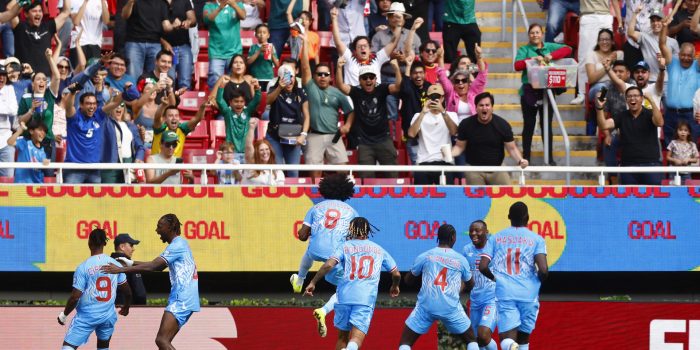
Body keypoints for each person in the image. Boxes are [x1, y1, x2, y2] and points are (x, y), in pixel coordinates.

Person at [102, 213, 200, 350]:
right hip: (184, 298)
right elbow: (158, 266)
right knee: (164, 342)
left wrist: (120, 270)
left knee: (162, 340)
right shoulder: (180, 243)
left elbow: (154, 266)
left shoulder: (177, 245)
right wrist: (131, 263)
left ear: (170, 227)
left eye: (160, 227)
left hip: (182, 299)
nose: (157, 230)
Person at [304, 217, 401, 350]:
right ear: (368, 231)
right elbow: (396, 274)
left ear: (351, 230)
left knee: (342, 337)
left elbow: (328, 265)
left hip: (343, 297)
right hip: (365, 299)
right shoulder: (379, 250)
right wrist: (394, 286)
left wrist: (313, 282)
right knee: (356, 338)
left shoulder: (344, 246)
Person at [291, 174, 358, 337]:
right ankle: (323, 310)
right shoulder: (353, 212)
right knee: (344, 289)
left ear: (325, 190)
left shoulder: (315, 208)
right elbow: (354, 240)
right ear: (346, 192)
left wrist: (308, 232)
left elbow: (302, 236)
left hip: (315, 250)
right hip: (334, 256)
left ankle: (299, 280)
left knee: (309, 250)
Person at [479, 202, 548, 350]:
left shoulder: (495, 238)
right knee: (524, 339)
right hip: (529, 294)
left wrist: (495, 279)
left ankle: (510, 346)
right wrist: (536, 283)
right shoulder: (537, 239)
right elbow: (543, 270)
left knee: (506, 340)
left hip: (505, 292)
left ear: (509, 217)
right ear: (527, 218)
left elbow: (483, 266)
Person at [399, 224, 480, 350]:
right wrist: (458, 287)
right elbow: (471, 284)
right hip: (450, 307)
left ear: (438, 237)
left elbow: (408, 280)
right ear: (453, 238)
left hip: (426, 307)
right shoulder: (461, 260)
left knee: (405, 343)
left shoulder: (425, 256)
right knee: (471, 340)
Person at [59, 228, 131, 350]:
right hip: (107, 316)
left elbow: (75, 297)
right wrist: (126, 306)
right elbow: (127, 291)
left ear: (89, 243)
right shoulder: (115, 265)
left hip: (86, 316)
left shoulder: (83, 267)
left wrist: (64, 314)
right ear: (105, 243)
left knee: (68, 347)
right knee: (103, 347)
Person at [514, 23, 572, 165]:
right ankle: (526, 158)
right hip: (529, 91)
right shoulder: (524, 49)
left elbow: (568, 49)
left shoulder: (549, 46)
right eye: (532, 33)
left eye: (537, 32)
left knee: (547, 125)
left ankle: (549, 158)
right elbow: (517, 65)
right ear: (529, 35)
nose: (535, 35)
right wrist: (533, 60)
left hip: (547, 91)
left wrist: (550, 56)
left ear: (542, 33)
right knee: (529, 125)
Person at [299, 34, 354, 179]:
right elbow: (305, 66)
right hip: (314, 135)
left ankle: (340, 198)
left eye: (326, 74)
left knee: (343, 172)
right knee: (315, 175)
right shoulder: (311, 87)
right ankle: (317, 200)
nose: (322, 76)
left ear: (330, 77)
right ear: (315, 76)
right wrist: (305, 43)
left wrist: (348, 125)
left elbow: (350, 111)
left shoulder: (337, 93)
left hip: (334, 136)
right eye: (319, 74)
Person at [337, 60, 401, 178]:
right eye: (364, 78)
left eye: (371, 77)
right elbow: (340, 86)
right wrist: (339, 67)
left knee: (393, 175)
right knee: (365, 178)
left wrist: (396, 68)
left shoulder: (382, 89)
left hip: (384, 139)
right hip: (364, 143)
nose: (368, 80)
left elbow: (397, 87)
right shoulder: (356, 91)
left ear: (375, 79)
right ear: (360, 80)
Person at [451, 92, 529, 185]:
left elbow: (511, 148)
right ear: (476, 107)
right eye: (481, 105)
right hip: (474, 169)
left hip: (497, 169)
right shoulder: (466, 124)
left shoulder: (502, 125)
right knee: (476, 198)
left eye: (487, 105)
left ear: (492, 107)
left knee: (507, 195)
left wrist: (520, 160)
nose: (484, 108)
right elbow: (459, 147)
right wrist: (449, 154)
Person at [596, 86, 663, 185]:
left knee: (652, 199)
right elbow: (604, 125)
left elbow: (660, 122)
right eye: (629, 96)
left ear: (642, 98)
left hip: (650, 164)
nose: (632, 98)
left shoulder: (650, 114)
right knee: (629, 200)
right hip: (628, 166)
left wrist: (651, 100)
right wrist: (600, 108)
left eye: (636, 96)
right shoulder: (622, 116)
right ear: (626, 100)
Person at [63, 86, 124, 183]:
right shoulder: (74, 118)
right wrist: (73, 92)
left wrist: (125, 92)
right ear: (81, 105)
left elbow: (115, 103)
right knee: (70, 198)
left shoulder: (98, 115)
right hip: (74, 169)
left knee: (95, 198)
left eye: (94, 104)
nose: (92, 107)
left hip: (94, 169)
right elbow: (69, 107)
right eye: (88, 104)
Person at [331, 6, 402, 86]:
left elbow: (393, 42)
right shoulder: (349, 58)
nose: (362, 48)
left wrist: (399, 25)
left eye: (365, 46)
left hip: (374, 97)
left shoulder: (377, 59)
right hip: (353, 96)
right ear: (355, 51)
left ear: (370, 49)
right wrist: (334, 19)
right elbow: (338, 42)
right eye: (359, 46)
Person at [571, 0, 621, 105]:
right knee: (584, 56)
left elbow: (615, 1)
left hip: (605, 16)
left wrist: (620, 21)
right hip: (588, 16)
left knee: (609, 52)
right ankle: (582, 93)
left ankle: (611, 86)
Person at [265, 59, 310, 177]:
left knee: (293, 172)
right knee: (277, 171)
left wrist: (303, 134)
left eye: (292, 77)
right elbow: (267, 101)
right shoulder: (274, 89)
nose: (289, 81)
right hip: (275, 135)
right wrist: (279, 88)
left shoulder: (300, 92)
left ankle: (293, 195)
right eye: (286, 77)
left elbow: (307, 115)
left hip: (294, 136)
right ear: (280, 78)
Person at [408, 84, 459, 185]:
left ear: (443, 98)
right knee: (420, 198)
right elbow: (411, 134)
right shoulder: (418, 115)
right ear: (427, 99)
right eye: (432, 97)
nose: (435, 100)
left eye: (438, 97)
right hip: (424, 161)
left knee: (447, 196)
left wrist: (443, 112)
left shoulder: (451, 115)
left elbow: (454, 132)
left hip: (445, 161)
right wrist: (423, 112)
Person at [462, 220, 498, 350]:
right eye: (471, 231)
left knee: (483, 336)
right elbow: (465, 276)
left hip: (492, 299)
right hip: (475, 300)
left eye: (477, 230)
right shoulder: (466, 250)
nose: (473, 233)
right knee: (477, 342)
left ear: (486, 232)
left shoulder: (494, 248)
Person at [11, 0, 72, 76]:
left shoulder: (48, 27)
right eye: (34, 11)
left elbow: (66, 12)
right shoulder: (20, 26)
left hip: (44, 80)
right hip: (24, 79)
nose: (38, 13)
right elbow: (10, 9)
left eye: (40, 11)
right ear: (26, 14)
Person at [122, 0, 177, 78]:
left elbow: (166, 25)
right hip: (134, 42)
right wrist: (130, 2)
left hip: (155, 43)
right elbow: (124, 16)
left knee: (156, 77)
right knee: (133, 77)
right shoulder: (133, 1)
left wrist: (174, 25)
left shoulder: (161, 3)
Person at [213, 74, 261, 162]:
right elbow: (219, 100)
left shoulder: (247, 112)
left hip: (246, 153)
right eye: (236, 101)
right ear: (230, 103)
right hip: (231, 154)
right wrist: (221, 86)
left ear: (245, 102)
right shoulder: (227, 113)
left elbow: (257, 100)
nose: (239, 104)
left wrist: (257, 87)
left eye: (241, 101)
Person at [627, 7, 679, 82]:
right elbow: (630, 33)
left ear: (664, 21)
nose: (655, 23)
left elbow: (676, 64)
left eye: (658, 20)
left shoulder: (673, 42)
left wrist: (665, 58)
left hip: (667, 80)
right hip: (649, 80)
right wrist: (635, 13)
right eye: (653, 21)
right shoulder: (644, 36)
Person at [203, 0, 246, 89]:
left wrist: (234, 4)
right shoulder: (209, 6)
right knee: (215, 83)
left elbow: (243, 16)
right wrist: (220, 7)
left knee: (235, 84)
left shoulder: (238, 4)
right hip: (216, 52)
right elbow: (207, 19)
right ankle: (214, 103)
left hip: (235, 52)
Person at [400, 57, 432, 165]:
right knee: (417, 166)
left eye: (421, 73)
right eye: (415, 73)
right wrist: (408, 66)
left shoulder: (430, 88)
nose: (418, 75)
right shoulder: (408, 87)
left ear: (425, 74)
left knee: (431, 164)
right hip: (413, 135)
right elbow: (404, 88)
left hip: (429, 134)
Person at [161, 0, 196, 90]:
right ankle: (169, 104)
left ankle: (182, 104)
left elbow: (193, 20)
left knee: (185, 83)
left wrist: (188, 22)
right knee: (168, 83)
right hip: (165, 49)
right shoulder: (157, 2)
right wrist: (163, 42)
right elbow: (152, 26)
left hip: (184, 46)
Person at [242, 119, 286, 185]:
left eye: (267, 149)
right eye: (261, 150)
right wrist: (251, 128)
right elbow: (248, 146)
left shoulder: (278, 171)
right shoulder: (251, 166)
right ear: (256, 153)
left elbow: (280, 191)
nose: (265, 152)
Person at [6, 119, 50, 183]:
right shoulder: (24, 143)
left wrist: (46, 162)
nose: (43, 133)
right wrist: (19, 132)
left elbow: (44, 162)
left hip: (37, 185)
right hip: (21, 183)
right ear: (31, 131)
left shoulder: (44, 149)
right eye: (40, 130)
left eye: (45, 131)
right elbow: (9, 142)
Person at [69, 0, 110, 67]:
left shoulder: (103, 1)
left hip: (95, 43)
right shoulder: (75, 1)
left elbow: (106, 21)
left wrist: (102, 1)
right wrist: (85, 2)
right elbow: (76, 22)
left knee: (93, 74)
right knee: (78, 73)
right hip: (79, 42)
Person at [110, 233, 147, 305]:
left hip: (107, 311)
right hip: (127, 311)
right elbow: (140, 294)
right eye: (131, 245)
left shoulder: (107, 264)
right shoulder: (131, 266)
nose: (133, 249)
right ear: (122, 247)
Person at [441, 0, 480, 64]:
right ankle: (452, 73)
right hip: (451, 22)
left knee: (474, 55)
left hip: (470, 22)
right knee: (449, 57)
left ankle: (473, 73)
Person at [0, 64, 17, 178]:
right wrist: (5, 107)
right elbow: (9, 109)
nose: (1, 78)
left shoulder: (9, 89)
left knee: (8, 179)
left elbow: (13, 110)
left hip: (5, 140)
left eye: (3, 75)